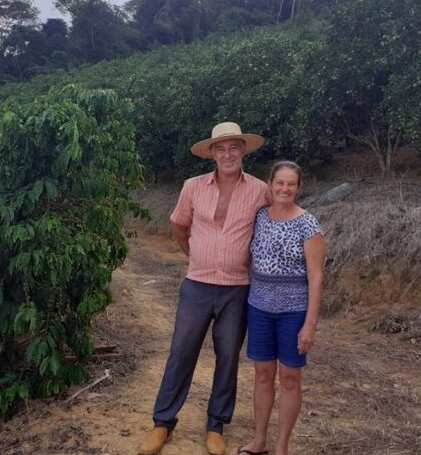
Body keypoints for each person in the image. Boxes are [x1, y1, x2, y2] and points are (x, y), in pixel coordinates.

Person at [138, 122, 270, 455]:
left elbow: (269, 230)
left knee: (228, 357)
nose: (227, 154)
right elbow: (179, 228)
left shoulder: (259, 190)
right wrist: (197, 256)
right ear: (211, 153)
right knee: (181, 351)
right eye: (221, 148)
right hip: (197, 285)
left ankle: (216, 425)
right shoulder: (193, 187)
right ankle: (163, 423)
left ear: (243, 151)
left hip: (238, 289)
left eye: (234, 148)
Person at [234, 161, 325, 455]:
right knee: (262, 374)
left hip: (293, 312)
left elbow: (316, 275)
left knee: (289, 377)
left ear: (299, 188)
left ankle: (282, 446)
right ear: (270, 184)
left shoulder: (307, 223)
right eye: (280, 183)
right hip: (259, 307)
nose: (284, 189)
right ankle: (259, 440)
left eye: (291, 184)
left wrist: (310, 324)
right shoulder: (260, 216)